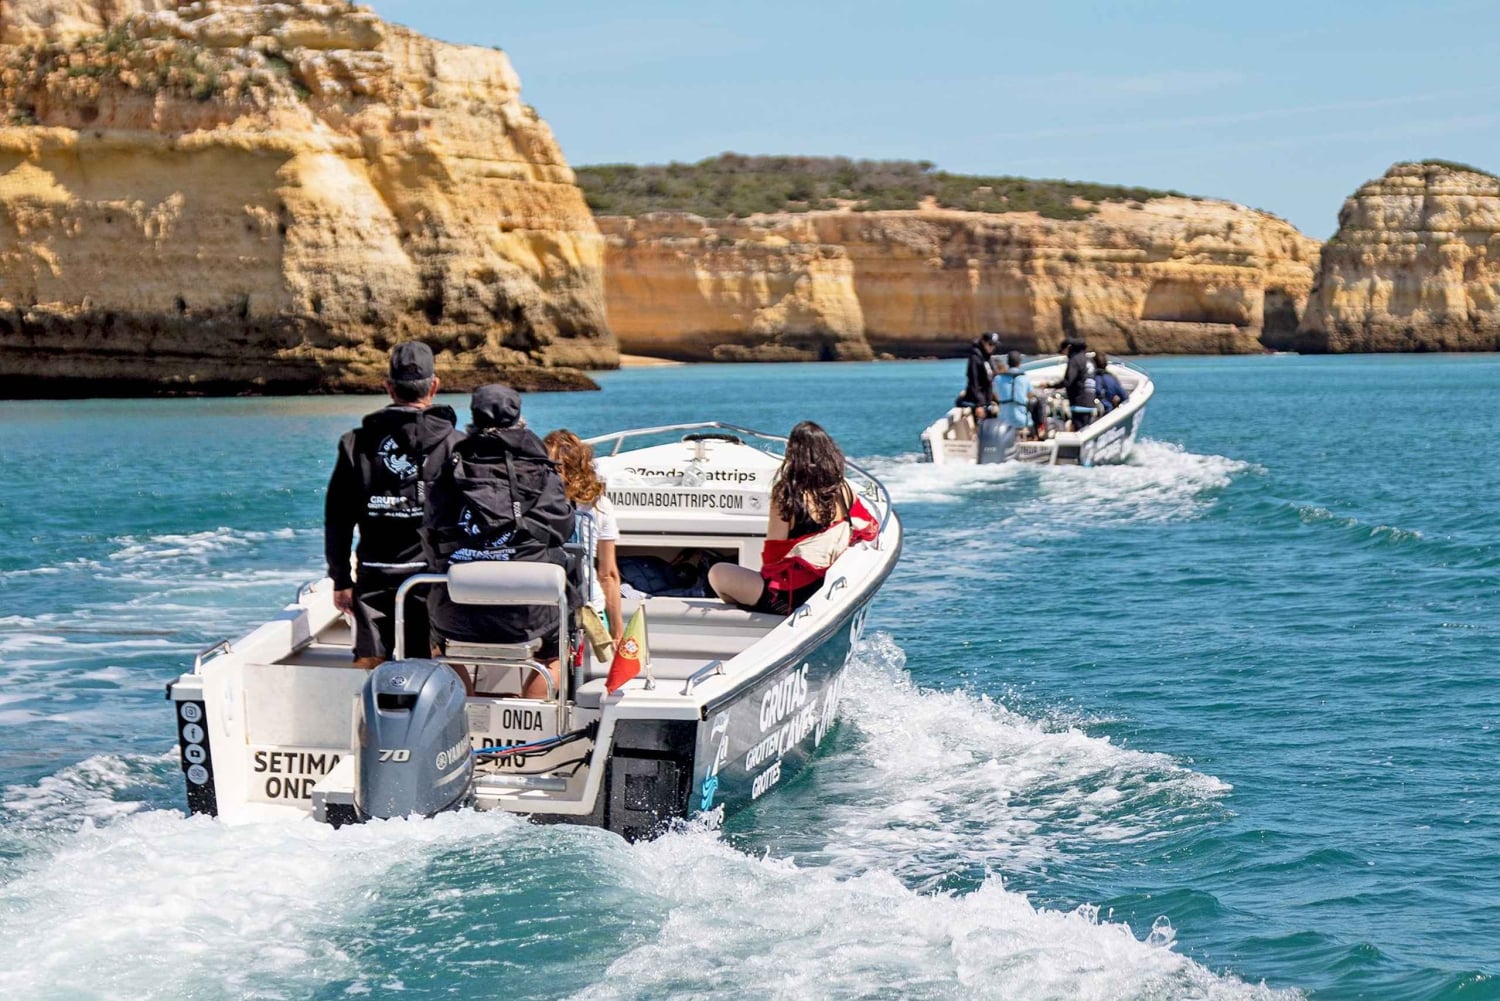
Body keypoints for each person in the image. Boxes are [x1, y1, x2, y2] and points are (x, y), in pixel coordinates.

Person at [422, 385, 575, 700]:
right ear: (518, 418)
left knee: (438, 643)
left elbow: (432, 531)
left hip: (456, 613)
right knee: (556, 647)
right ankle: (529, 718)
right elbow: (562, 528)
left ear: (473, 418)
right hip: (529, 614)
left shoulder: (450, 469)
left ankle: (465, 708)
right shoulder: (542, 470)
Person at [324, 341, 462, 668]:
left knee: (370, 659)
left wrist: (341, 579)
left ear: (388, 387)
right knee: (432, 660)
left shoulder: (355, 443)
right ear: (434, 386)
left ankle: (367, 702)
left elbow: (338, 519)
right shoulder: (455, 444)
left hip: (374, 573)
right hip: (433, 577)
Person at [709, 422, 876, 615]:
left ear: (793, 454)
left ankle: (760, 609)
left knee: (718, 572)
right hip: (824, 591)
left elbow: (773, 555)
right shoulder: (844, 490)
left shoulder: (787, 495)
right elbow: (869, 527)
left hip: (788, 598)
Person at [543, 429, 623, 647]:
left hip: (543, 605)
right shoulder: (599, 505)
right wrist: (617, 630)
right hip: (589, 608)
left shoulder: (534, 504)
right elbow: (608, 575)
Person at [993, 350, 1050, 439]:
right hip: (1022, 420)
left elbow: (996, 396)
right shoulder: (1024, 378)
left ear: (1008, 363)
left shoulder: (998, 379)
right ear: (1019, 363)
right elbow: (1030, 395)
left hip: (1003, 420)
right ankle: (1039, 431)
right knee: (1038, 402)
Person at [956, 331, 1002, 422]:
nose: (992, 347)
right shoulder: (975, 357)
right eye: (990, 344)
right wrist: (979, 404)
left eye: (994, 345)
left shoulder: (987, 357)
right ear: (983, 342)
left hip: (987, 399)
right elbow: (974, 381)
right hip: (979, 401)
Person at [1061, 338, 1097, 430]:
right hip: (1090, 403)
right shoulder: (1090, 361)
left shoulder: (1075, 360)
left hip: (1079, 403)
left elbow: (1068, 381)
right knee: (1086, 429)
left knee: (1079, 430)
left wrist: (1050, 385)